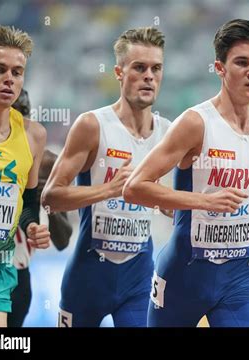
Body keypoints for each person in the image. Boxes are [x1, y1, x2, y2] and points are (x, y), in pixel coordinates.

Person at [123, 19, 249, 327]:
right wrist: (203, 202)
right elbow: (135, 187)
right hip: (184, 275)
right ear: (220, 69)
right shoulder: (196, 123)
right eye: (242, 62)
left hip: (239, 276)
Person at [42, 27, 171, 327]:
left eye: (156, 68)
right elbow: (51, 198)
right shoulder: (92, 125)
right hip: (88, 277)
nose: (149, 76)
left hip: (138, 279)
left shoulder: (167, 132)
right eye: (139, 67)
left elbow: (162, 197)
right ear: (119, 72)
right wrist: (109, 190)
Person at [0, 26, 50, 327]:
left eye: (17, 72)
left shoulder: (34, 135)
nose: (10, 78)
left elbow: (28, 201)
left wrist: (33, 226)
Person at [8, 89, 72, 327]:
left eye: (23, 118)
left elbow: (62, 240)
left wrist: (48, 202)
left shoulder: (45, 163)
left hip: (17, 273)